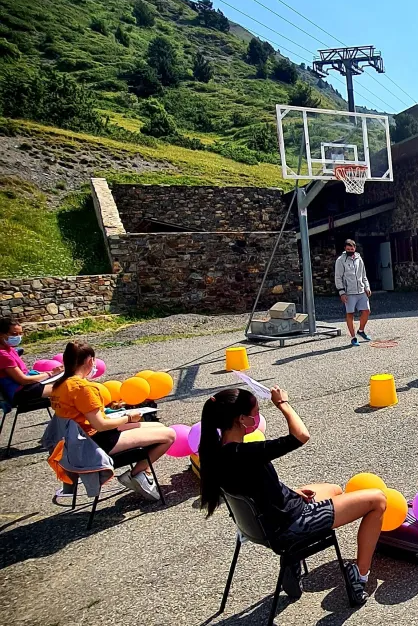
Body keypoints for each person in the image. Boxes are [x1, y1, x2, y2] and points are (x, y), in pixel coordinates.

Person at [198, 386, 387, 606]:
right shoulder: (247, 453)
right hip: (291, 526)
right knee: (378, 500)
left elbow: (254, 488)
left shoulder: (217, 455)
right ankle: (359, 574)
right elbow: (300, 436)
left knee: (334, 489)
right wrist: (282, 404)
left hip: (265, 525)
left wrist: (290, 492)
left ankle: (292, 562)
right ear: (242, 419)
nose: (258, 418)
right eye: (255, 413)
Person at [50, 342, 174, 501]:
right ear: (90, 361)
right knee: (169, 435)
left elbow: (83, 417)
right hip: (95, 443)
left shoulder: (59, 386)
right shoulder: (83, 388)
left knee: (158, 426)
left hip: (75, 443)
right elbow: (100, 425)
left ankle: (143, 473)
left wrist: (117, 415)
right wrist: (128, 417)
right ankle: (137, 474)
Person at [0, 319, 60, 404]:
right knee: (68, 389)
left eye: (20, 333)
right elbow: (23, 380)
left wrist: (48, 373)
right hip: (20, 392)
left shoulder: (10, 349)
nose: (18, 337)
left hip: (26, 387)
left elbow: (24, 373)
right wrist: (50, 374)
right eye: (14, 334)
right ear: (1, 335)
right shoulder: (3, 354)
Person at [335, 239, 372, 347]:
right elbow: (338, 277)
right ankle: (353, 337)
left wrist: (367, 287)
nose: (350, 251)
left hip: (361, 290)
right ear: (345, 249)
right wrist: (342, 292)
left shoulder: (358, 258)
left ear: (355, 248)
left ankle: (361, 331)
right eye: (348, 249)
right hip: (349, 292)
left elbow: (363, 274)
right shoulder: (340, 260)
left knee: (366, 311)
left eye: (352, 249)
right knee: (350, 314)